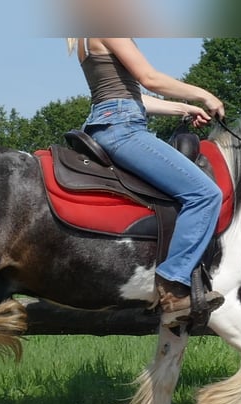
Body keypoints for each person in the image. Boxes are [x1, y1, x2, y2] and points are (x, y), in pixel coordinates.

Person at [67, 37, 225, 326]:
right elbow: (149, 78)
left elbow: (128, 96)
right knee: (205, 194)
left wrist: (183, 108)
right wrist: (204, 95)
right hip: (123, 129)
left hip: (110, 121)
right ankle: (173, 287)